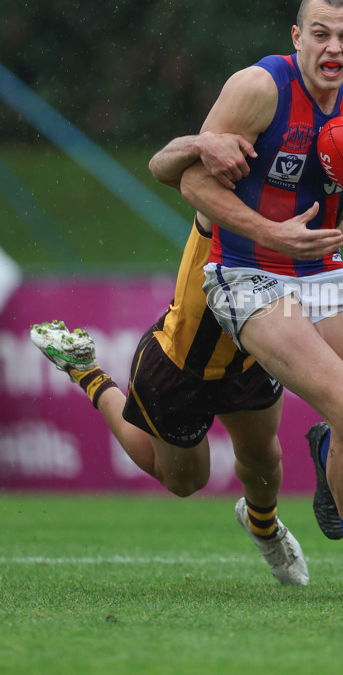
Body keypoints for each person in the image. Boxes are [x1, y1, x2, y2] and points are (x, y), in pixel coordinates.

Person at [166, 0, 343, 602]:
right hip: (245, 272)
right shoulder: (259, 88)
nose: (333, 47)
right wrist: (271, 233)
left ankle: (326, 450)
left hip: (323, 272)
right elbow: (190, 181)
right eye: (320, 33)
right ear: (297, 37)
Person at [30, 132, 314, 587]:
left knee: (263, 456)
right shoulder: (223, 195)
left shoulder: (308, 202)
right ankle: (87, 372)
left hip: (248, 357)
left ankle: (264, 527)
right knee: (185, 482)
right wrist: (203, 143)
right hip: (180, 364)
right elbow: (164, 164)